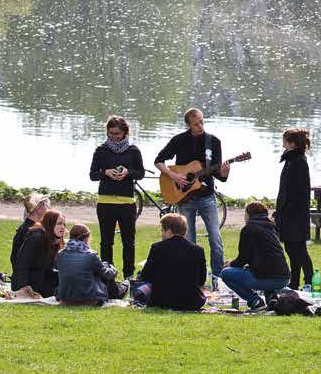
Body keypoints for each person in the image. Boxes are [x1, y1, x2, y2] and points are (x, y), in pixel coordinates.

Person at [154, 107, 229, 286]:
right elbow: (158, 161)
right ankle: (191, 277)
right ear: (188, 125)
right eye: (196, 124)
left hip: (207, 196)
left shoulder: (213, 141)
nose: (200, 126)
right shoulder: (179, 140)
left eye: (202, 121)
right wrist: (174, 176)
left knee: (215, 238)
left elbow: (219, 175)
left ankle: (218, 277)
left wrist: (225, 173)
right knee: (188, 240)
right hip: (185, 198)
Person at [89, 115, 144, 278]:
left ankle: (128, 275)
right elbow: (92, 175)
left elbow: (140, 173)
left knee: (128, 241)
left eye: (117, 134)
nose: (113, 137)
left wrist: (128, 173)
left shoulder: (133, 151)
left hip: (127, 202)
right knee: (106, 241)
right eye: (111, 133)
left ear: (125, 133)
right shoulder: (101, 150)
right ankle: (108, 274)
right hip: (105, 202)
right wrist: (105, 172)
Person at [221, 201, 290, 311]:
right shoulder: (272, 228)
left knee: (226, 273)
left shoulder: (248, 229)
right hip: (284, 278)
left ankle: (255, 301)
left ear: (248, 214)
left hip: (265, 277)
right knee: (264, 269)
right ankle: (271, 297)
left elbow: (243, 259)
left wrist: (230, 264)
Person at [133, 213, 206, 311]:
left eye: (162, 230)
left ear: (169, 231)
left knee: (139, 282)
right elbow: (202, 279)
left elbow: (146, 275)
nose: (161, 234)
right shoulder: (198, 250)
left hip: (161, 300)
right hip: (191, 301)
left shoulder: (157, 248)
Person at [274, 127, 314, 290]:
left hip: (295, 214)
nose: (283, 144)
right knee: (291, 249)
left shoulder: (298, 162)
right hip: (289, 213)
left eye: (285, 141)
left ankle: (309, 281)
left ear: (292, 144)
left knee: (299, 250)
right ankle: (295, 281)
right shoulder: (291, 160)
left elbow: (299, 192)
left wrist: (287, 210)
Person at [56, 223, 119, 306]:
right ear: (86, 238)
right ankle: (118, 292)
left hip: (65, 298)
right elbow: (107, 274)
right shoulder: (91, 255)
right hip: (89, 299)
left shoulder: (60, 254)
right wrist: (113, 269)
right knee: (105, 270)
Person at [11, 209, 66, 296]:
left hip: (42, 278)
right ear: (50, 224)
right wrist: (23, 287)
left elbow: (49, 268)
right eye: (59, 224)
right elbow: (22, 263)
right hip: (28, 282)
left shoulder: (55, 239)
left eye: (64, 224)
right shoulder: (37, 237)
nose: (63, 227)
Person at [10, 192, 50, 272]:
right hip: (28, 282)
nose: (47, 208)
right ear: (38, 207)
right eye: (45, 204)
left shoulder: (25, 227)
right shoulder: (32, 231)